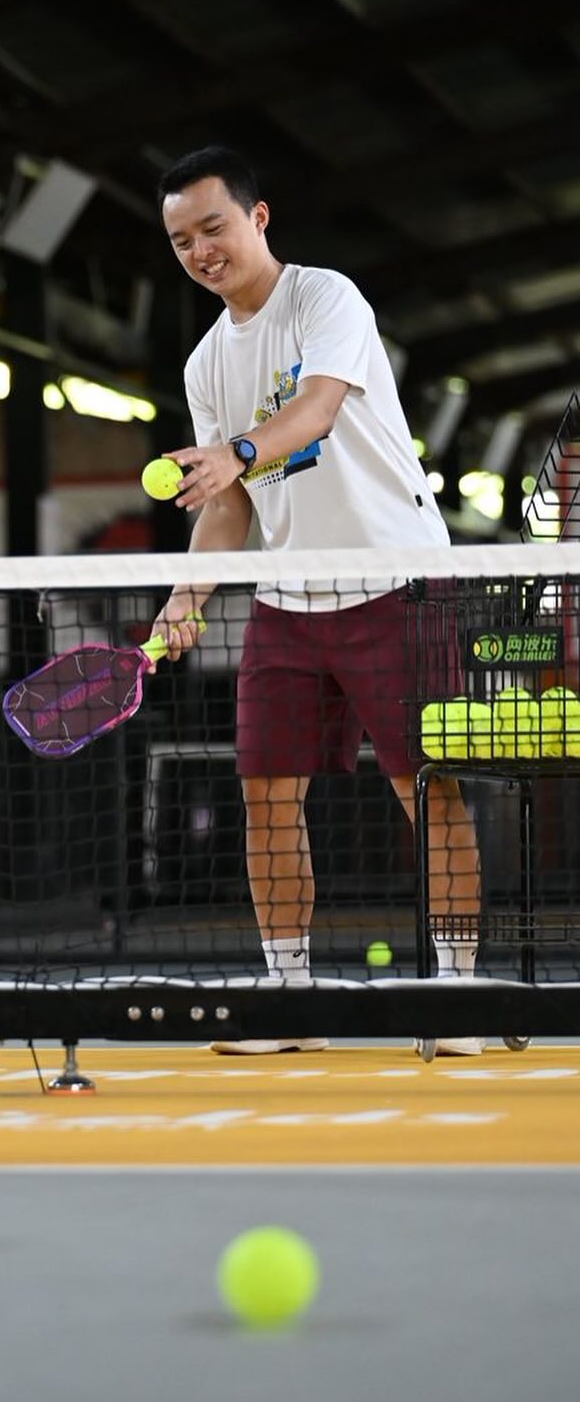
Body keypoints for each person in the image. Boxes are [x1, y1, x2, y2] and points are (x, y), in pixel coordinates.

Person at [151, 144, 483, 1057]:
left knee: (429, 788)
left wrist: (239, 455)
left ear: (257, 218)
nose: (200, 251)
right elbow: (224, 507)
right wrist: (185, 598)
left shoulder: (324, 298)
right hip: (287, 599)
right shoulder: (204, 364)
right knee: (262, 794)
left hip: (397, 581)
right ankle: (288, 996)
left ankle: (455, 995)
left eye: (213, 228)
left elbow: (317, 411)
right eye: (181, 241)